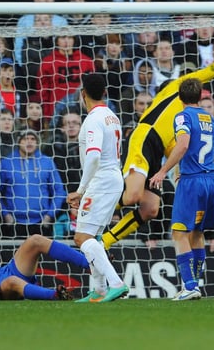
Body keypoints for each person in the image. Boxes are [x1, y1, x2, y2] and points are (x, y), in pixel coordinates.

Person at [101, 37, 214, 250]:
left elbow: (179, 149)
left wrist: (177, 173)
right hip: (144, 139)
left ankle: (105, 242)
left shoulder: (185, 121)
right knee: (132, 196)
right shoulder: (173, 89)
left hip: (156, 155)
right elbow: (210, 71)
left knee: (150, 209)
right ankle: (91, 204)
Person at [149, 78, 214, 301]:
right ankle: (194, 284)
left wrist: (162, 171)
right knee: (197, 233)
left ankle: (189, 286)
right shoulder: (211, 119)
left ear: (179, 98)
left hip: (192, 183)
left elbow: (183, 144)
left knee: (179, 232)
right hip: (212, 180)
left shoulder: (182, 116)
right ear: (200, 97)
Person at [65, 73, 128, 303]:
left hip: (101, 180)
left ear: (83, 94)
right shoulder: (112, 116)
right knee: (95, 236)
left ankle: (116, 283)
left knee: (82, 237)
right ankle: (99, 290)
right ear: (104, 93)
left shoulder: (93, 119)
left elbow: (93, 156)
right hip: (113, 177)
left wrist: (81, 190)